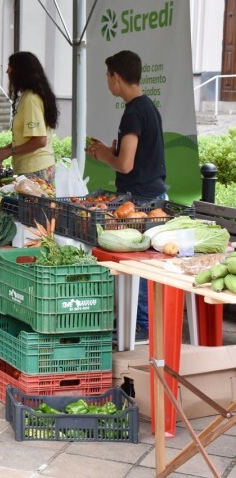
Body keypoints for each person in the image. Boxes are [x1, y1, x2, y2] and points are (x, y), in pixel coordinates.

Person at [87, 50, 165, 341]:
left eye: (108, 76)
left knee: (138, 261)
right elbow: (135, 155)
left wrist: (107, 156)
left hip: (140, 198)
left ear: (116, 77)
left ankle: (140, 324)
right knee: (143, 259)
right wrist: (109, 152)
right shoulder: (148, 107)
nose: (108, 81)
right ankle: (139, 321)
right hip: (151, 192)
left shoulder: (132, 112)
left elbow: (125, 164)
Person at [0, 51, 59, 184]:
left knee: (32, 205)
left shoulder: (31, 99)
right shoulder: (28, 96)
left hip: (36, 169)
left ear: (21, 71)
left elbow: (39, 140)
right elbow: (28, 137)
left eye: (10, 66)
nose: (7, 71)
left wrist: (8, 152)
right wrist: (7, 148)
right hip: (34, 168)